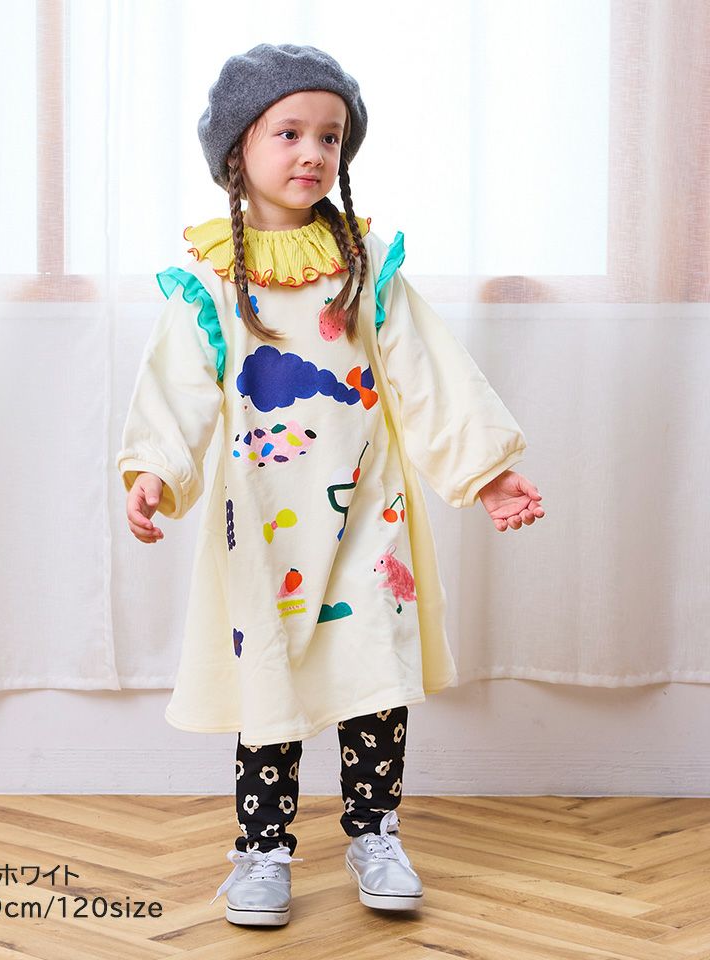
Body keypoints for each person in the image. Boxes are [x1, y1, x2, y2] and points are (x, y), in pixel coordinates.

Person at [116, 43, 544, 927]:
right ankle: (262, 850)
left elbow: (429, 373)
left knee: (375, 675)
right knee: (270, 685)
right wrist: (154, 470)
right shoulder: (212, 279)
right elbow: (177, 389)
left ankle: (375, 834)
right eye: (289, 133)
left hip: (366, 514)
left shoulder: (364, 266)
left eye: (331, 136)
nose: (313, 152)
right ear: (237, 148)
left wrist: (488, 471)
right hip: (263, 525)